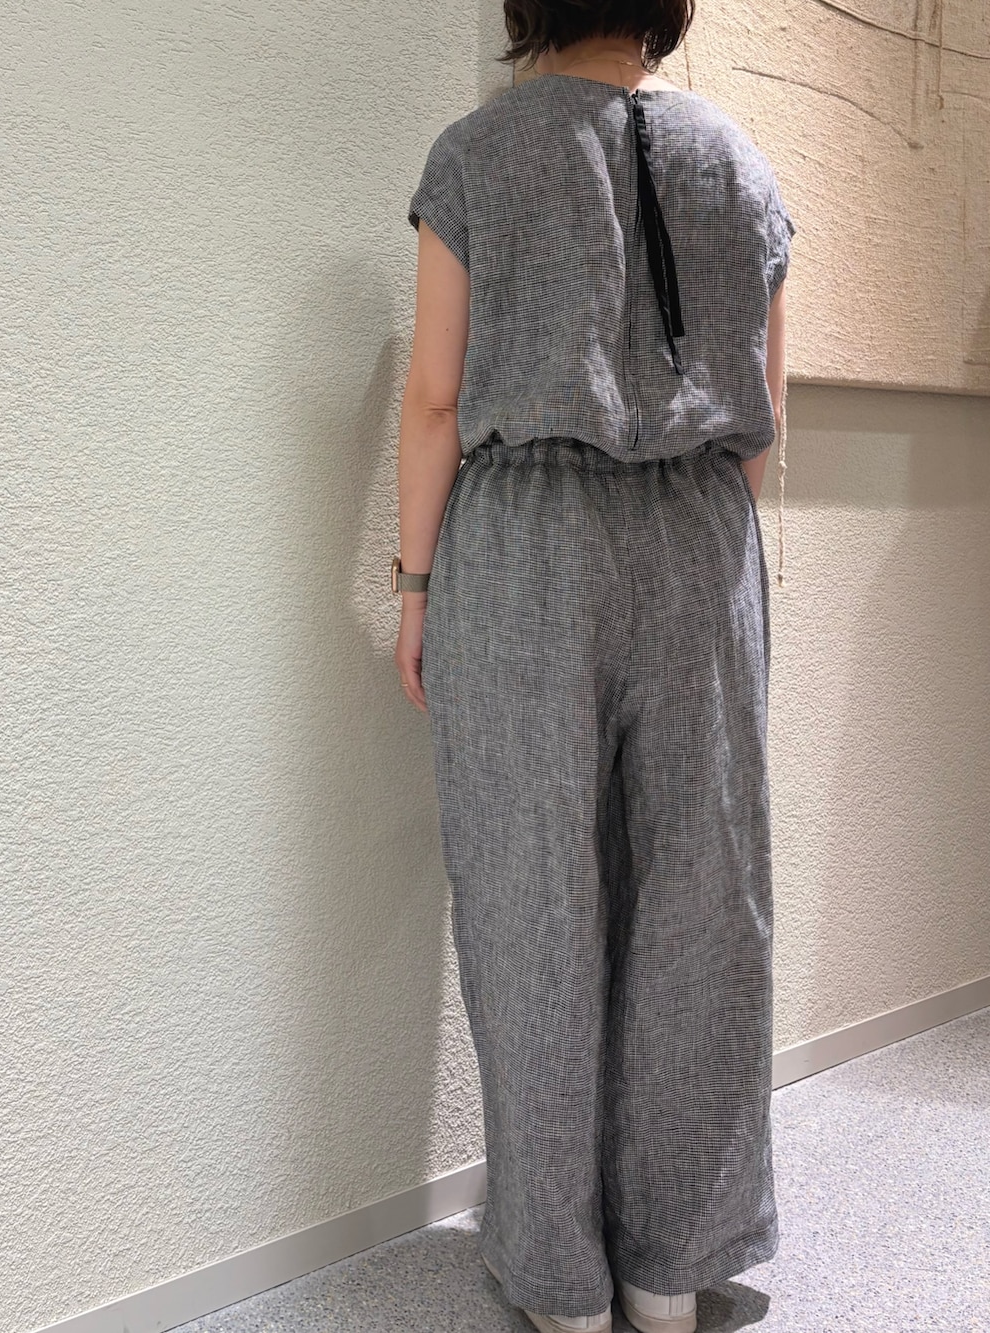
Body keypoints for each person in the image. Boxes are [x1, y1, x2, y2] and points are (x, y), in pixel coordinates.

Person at [392, 3, 795, 1330]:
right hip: (700, 536)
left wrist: (415, 587)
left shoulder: (478, 154)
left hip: (528, 542)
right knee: (702, 900)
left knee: (533, 900)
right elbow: (763, 421)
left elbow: (436, 398)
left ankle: (562, 1284)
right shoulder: (739, 163)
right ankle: (669, 1270)